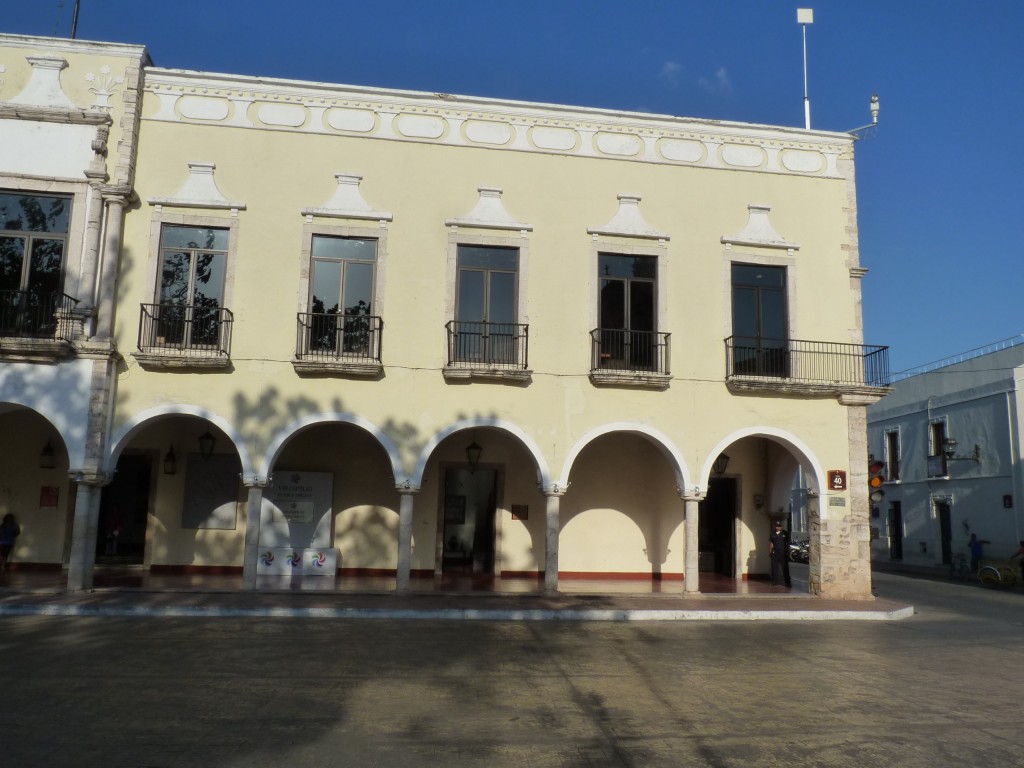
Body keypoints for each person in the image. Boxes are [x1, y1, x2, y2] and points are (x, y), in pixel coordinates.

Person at [768, 520, 791, 588]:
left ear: (781, 527)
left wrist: (788, 552)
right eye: (777, 526)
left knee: (785, 568)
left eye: (779, 526)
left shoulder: (785, 533)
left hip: (783, 553)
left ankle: (788, 582)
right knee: (774, 568)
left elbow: (788, 543)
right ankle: (775, 582)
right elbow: (771, 543)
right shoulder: (772, 533)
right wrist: (770, 552)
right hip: (775, 553)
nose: (778, 527)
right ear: (775, 527)